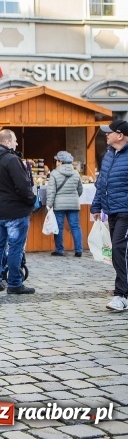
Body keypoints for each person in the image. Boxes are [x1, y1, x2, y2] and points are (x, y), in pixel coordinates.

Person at [0, 129, 36, 294]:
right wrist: (31, 200)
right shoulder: (11, 159)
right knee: (15, 247)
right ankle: (14, 283)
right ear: (7, 142)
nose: (16, 144)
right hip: (15, 210)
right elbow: (23, 186)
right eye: (14, 141)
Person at [91, 120, 128, 312]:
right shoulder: (108, 155)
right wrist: (96, 206)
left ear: (120, 135)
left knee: (119, 251)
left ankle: (121, 294)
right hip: (111, 211)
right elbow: (101, 184)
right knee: (117, 251)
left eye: (109, 132)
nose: (106, 135)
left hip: (125, 212)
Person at [45, 150, 83, 258]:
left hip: (59, 205)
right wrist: (74, 197)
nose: (56, 162)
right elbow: (80, 189)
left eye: (57, 160)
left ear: (60, 162)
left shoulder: (54, 173)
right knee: (75, 227)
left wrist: (49, 204)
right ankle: (78, 250)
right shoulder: (76, 173)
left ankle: (59, 249)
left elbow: (51, 191)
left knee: (59, 227)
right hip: (74, 204)